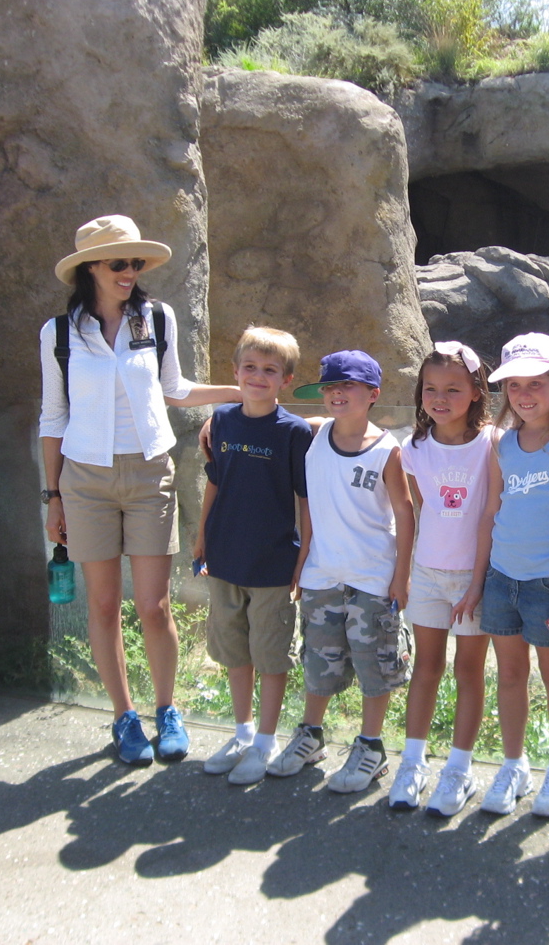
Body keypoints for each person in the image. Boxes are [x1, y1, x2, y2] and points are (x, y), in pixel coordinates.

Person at [39, 214, 241, 766]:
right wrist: (53, 497)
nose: (129, 271)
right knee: (103, 604)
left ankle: (167, 710)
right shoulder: (59, 333)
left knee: (154, 606)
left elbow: (174, 389)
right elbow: (53, 418)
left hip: (150, 473)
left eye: (134, 262)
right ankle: (123, 716)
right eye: (117, 263)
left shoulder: (157, 318)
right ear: (90, 268)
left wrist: (240, 390)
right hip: (85, 480)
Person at [462, 333, 549, 819]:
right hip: (503, 581)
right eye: (514, 384)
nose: (524, 394)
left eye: (536, 383)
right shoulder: (502, 443)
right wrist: (478, 583)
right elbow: (490, 514)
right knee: (510, 675)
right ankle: (514, 764)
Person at [267, 350, 415, 794]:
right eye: (330, 386)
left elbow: (405, 513)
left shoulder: (387, 450)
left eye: (348, 385)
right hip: (322, 574)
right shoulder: (313, 434)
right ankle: (310, 735)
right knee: (319, 660)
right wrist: (214, 423)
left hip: (372, 577)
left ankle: (371, 746)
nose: (337, 393)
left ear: (372, 394)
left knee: (375, 665)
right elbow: (266, 418)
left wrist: (402, 576)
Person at [193, 326, 313, 785]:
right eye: (250, 367)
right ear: (235, 371)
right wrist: (201, 537)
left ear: (286, 379)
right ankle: (242, 732)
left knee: (271, 655)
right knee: (234, 651)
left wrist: (303, 557)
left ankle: (266, 740)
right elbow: (215, 482)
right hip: (225, 557)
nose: (258, 376)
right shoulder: (221, 420)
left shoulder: (293, 431)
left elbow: (305, 499)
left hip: (273, 564)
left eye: (270, 370)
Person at [389, 342, 496, 816]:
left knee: (468, 670)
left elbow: (492, 514)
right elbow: (417, 511)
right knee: (426, 668)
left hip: (475, 576)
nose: (440, 398)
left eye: (453, 389)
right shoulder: (414, 448)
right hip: (428, 573)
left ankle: (458, 769)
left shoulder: (493, 443)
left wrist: (478, 582)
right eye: (430, 388)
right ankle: (412, 763)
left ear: (476, 391)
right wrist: (406, 573)